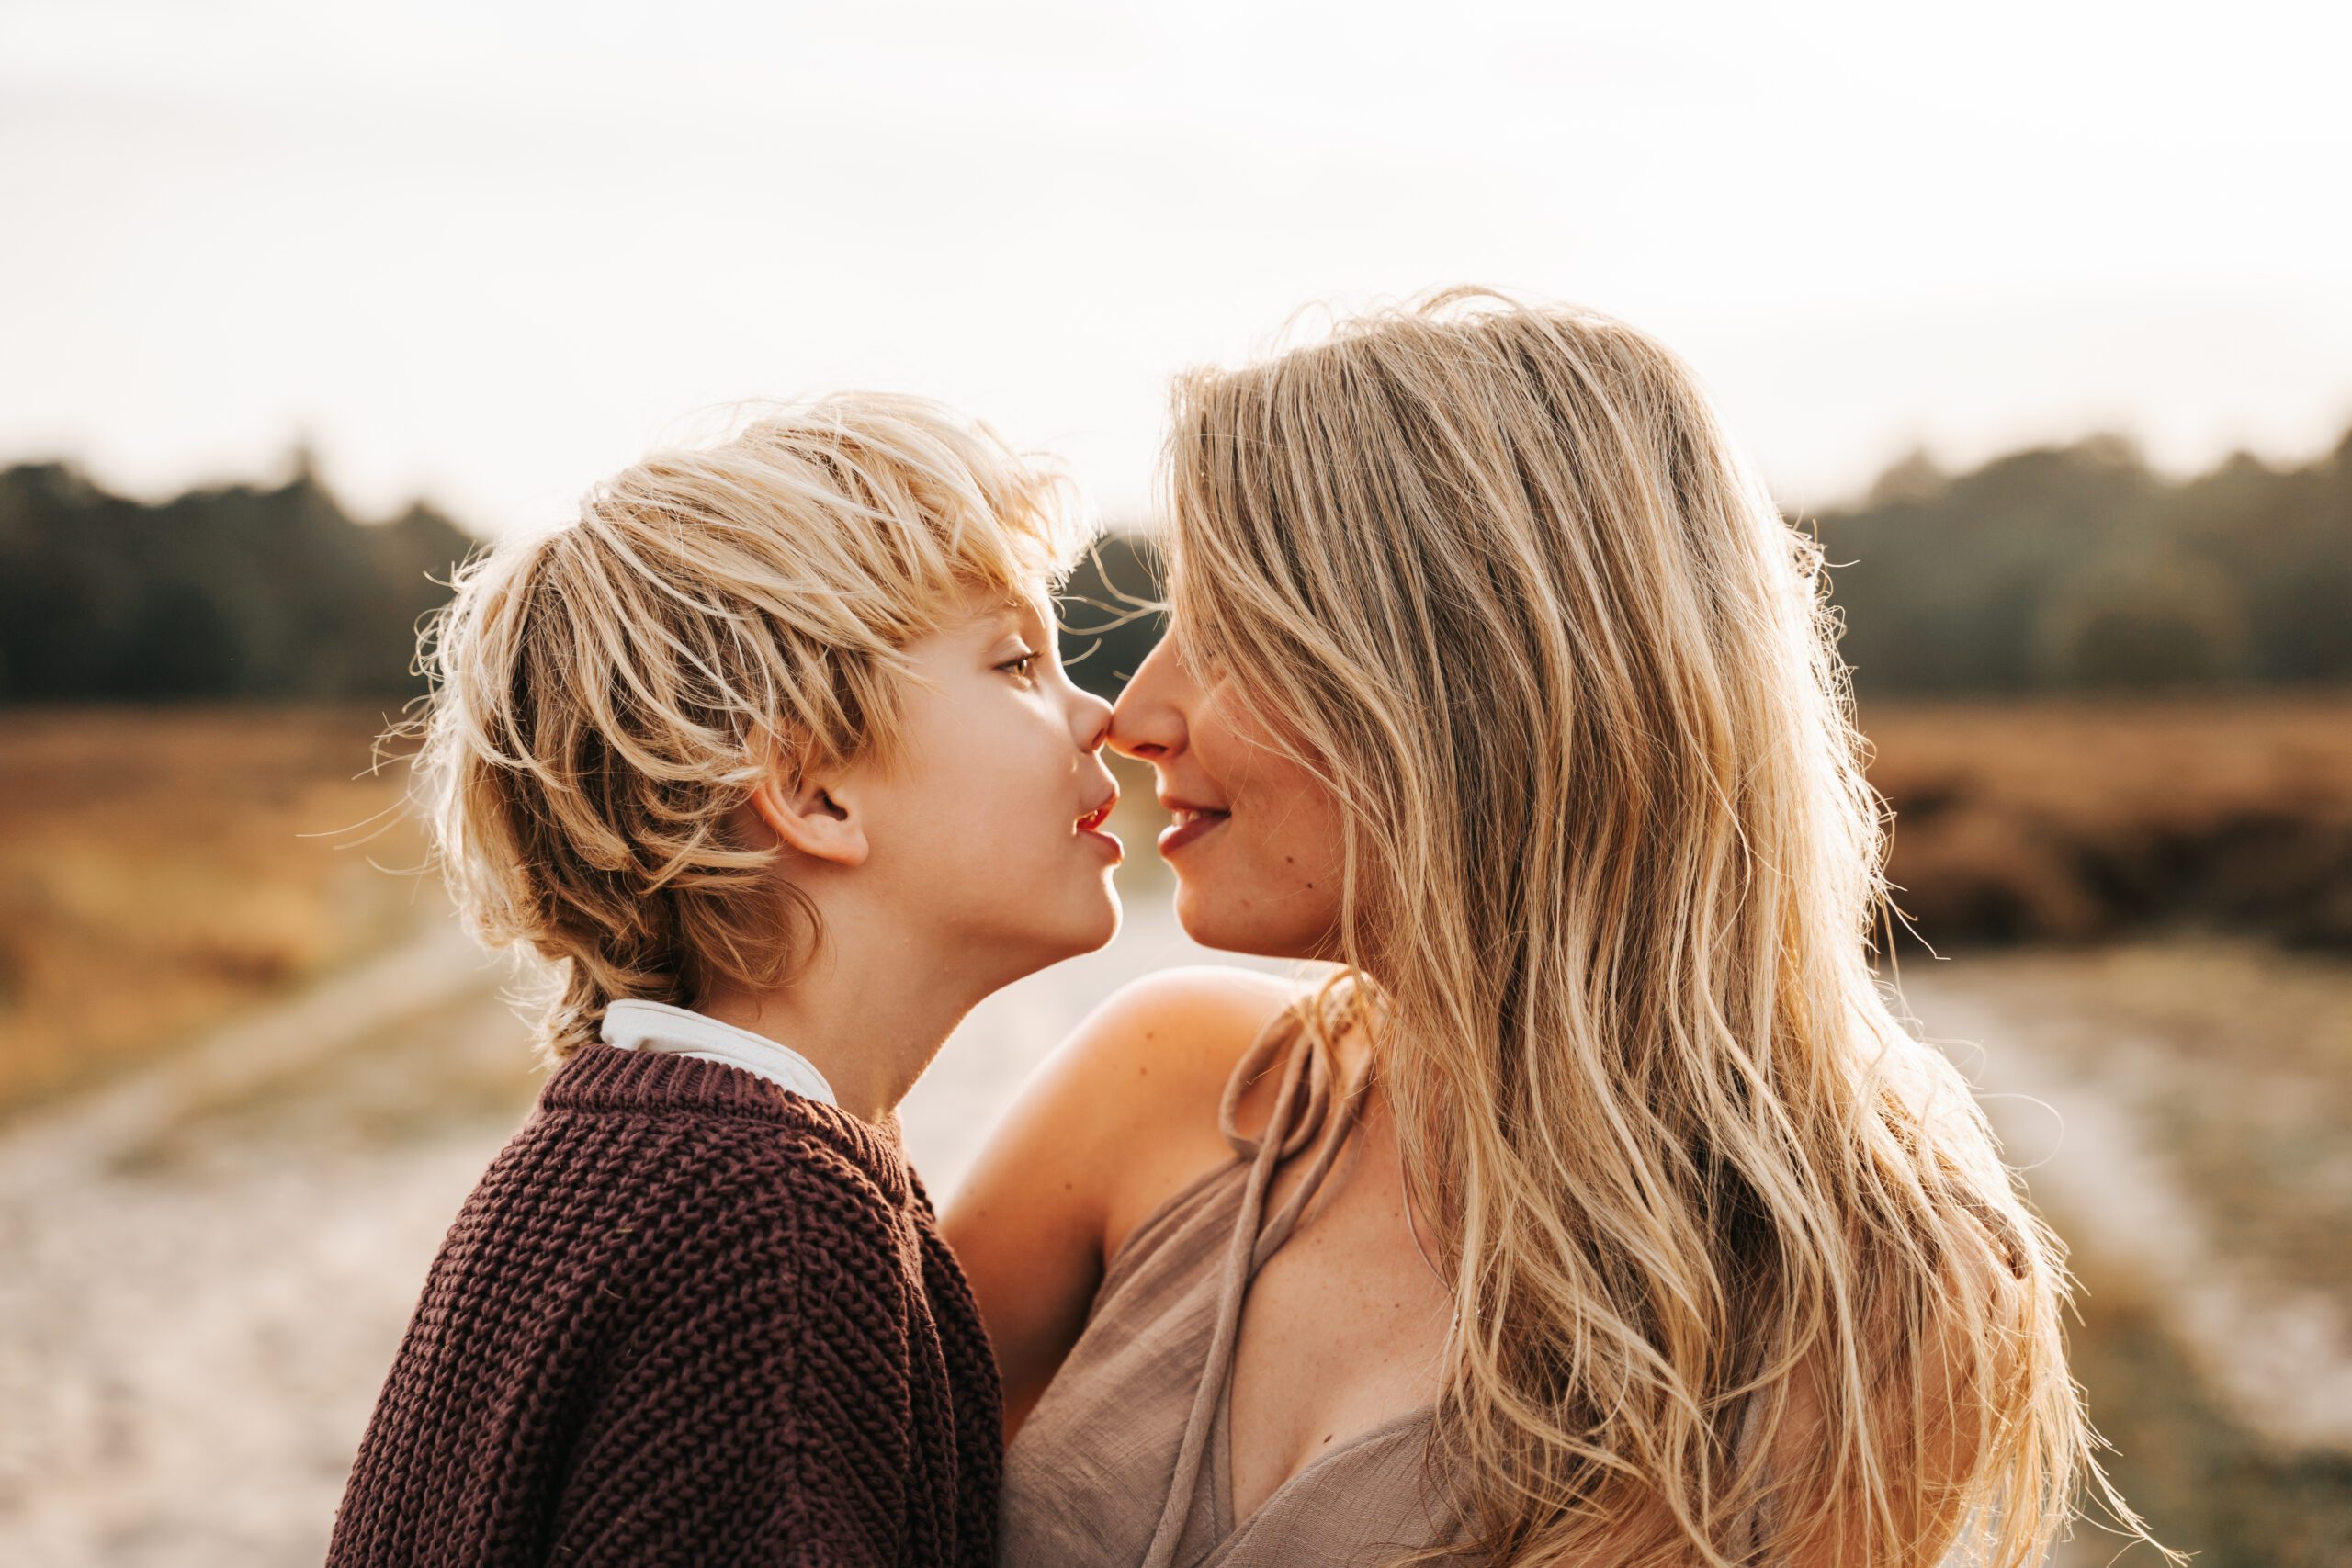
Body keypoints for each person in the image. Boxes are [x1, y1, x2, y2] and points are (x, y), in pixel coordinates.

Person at [947, 293, 2152, 1565]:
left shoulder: (1868, 1296)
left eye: (1232, 630)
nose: (1135, 713)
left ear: (1466, 673)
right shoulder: (1166, 1088)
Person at [328, 395, 1122, 1566]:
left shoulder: (642, 1161)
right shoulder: (765, 1226)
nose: (1098, 715)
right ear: (812, 792)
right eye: (1016, 662)